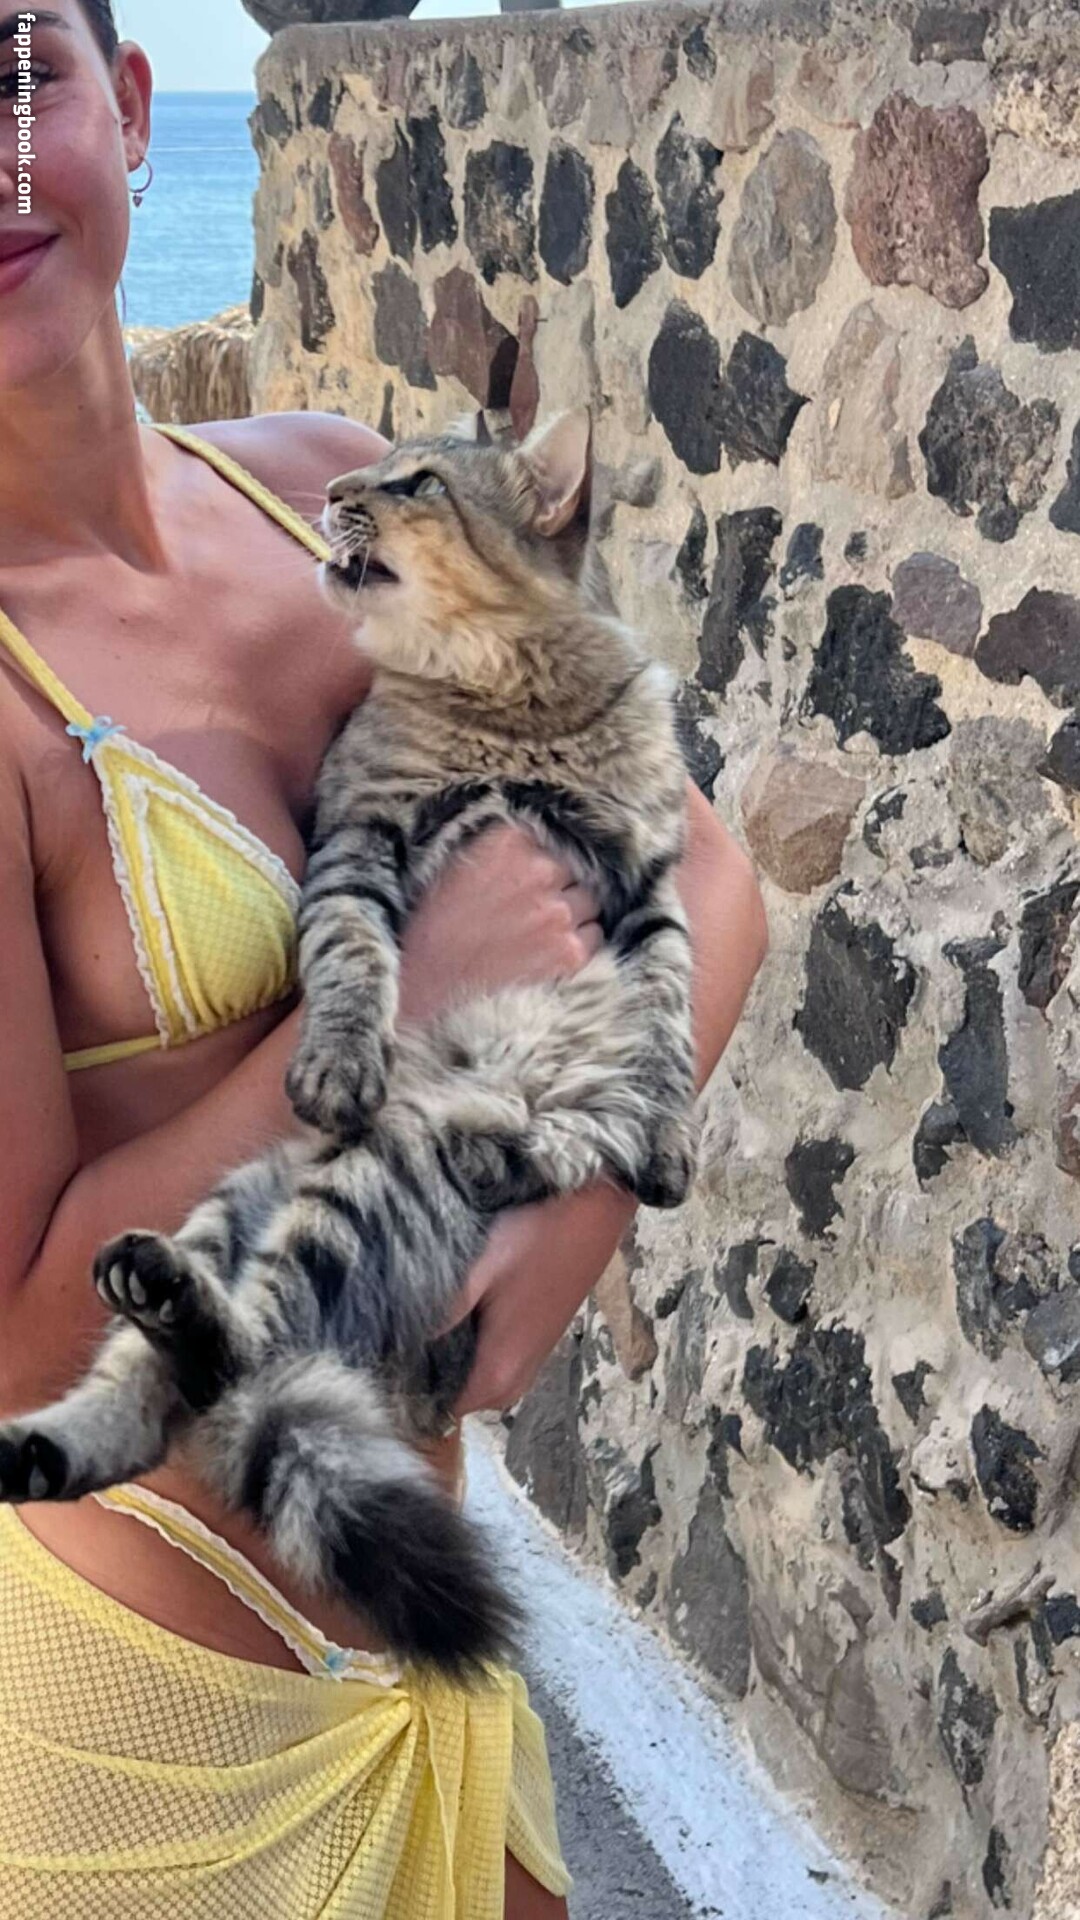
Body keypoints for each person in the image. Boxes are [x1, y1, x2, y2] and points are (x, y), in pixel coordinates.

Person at [0, 4, 769, 1916]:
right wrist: (398, 1003)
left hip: (434, 1647)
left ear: (132, 105)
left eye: (19, 74)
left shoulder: (331, 492)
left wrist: (587, 1200)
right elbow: (17, 1339)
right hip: (148, 1747)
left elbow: (699, 861)